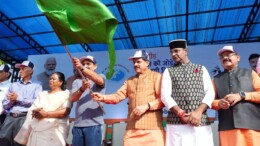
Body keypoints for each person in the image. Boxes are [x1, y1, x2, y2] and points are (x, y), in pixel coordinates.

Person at [92, 50, 165, 146]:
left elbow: (163, 100)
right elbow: (117, 96)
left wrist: (147, 106)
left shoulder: (157, 77)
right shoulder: (130, 81)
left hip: (153, 130)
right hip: (132, 130)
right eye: (134, 62)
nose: (135, 64)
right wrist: (102, 97)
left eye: (138, 61)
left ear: (147, 62)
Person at [161, 39, 215, 146]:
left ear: (186, 51)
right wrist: (181, 114)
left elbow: (210, 92)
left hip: (200, 121)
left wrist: (198, 112)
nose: (173, 54)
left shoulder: (201, 69)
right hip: (177, 123)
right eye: (171, 52)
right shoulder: (169, 71)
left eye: (176, 51)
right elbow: (165, 95)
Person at [211, 46, 260, 146]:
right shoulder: (215, 79)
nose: (225, 58)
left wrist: (242, 95)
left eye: (228, 55)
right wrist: (219, 103)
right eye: (222, 57)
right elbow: (209, 101)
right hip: (227, 128)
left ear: (238, 57)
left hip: (251, 127)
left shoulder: (251, 74)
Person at [14, 72, 72, 146]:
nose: (50, 80)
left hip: (55, 129)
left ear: (61, 82)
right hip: (38, 127)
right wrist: (36, 111)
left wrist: (46, 114)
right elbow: (33, 109)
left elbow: (66, 111)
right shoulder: (42, 94)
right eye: (50, 79)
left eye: (53, 79)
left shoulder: (66, 94)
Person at [0, 61, 42, 146]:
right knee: (3, 141)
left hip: (24, 117)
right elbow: (4, 104)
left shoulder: (37, 85)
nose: (20, 71)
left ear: (31, 71)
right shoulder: (13, 85)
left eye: (23, 68)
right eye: (20, 69)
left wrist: (19, 99)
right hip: (9, 117)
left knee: (19, 143)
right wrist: (11, 102)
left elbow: (36, 102)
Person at [70, 55, 106, 146]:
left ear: (95, 66)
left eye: (88, 64)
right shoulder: (77, 81)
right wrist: (82, 88)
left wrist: (81, 67)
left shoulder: (100, 76)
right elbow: (73, 98)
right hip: (78, 124)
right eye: (83, 64)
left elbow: (100, 81)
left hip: (94, 124)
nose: (85, 65)